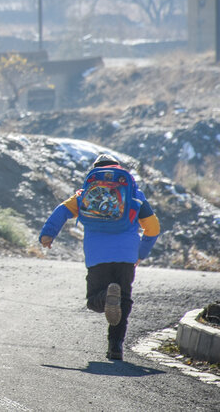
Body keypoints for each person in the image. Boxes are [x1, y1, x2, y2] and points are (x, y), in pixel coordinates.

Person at [39, 154, 160, 361]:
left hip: (97, 256)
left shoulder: (86, 193)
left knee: (94, 300)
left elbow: (62, 211)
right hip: (126, 256)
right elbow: (153, 228)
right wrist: (140, 253)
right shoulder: (134, 194)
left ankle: (105, 297)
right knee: (123, 300)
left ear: (95, 171)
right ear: (118, 170)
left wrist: (47, 234)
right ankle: (115, 347)